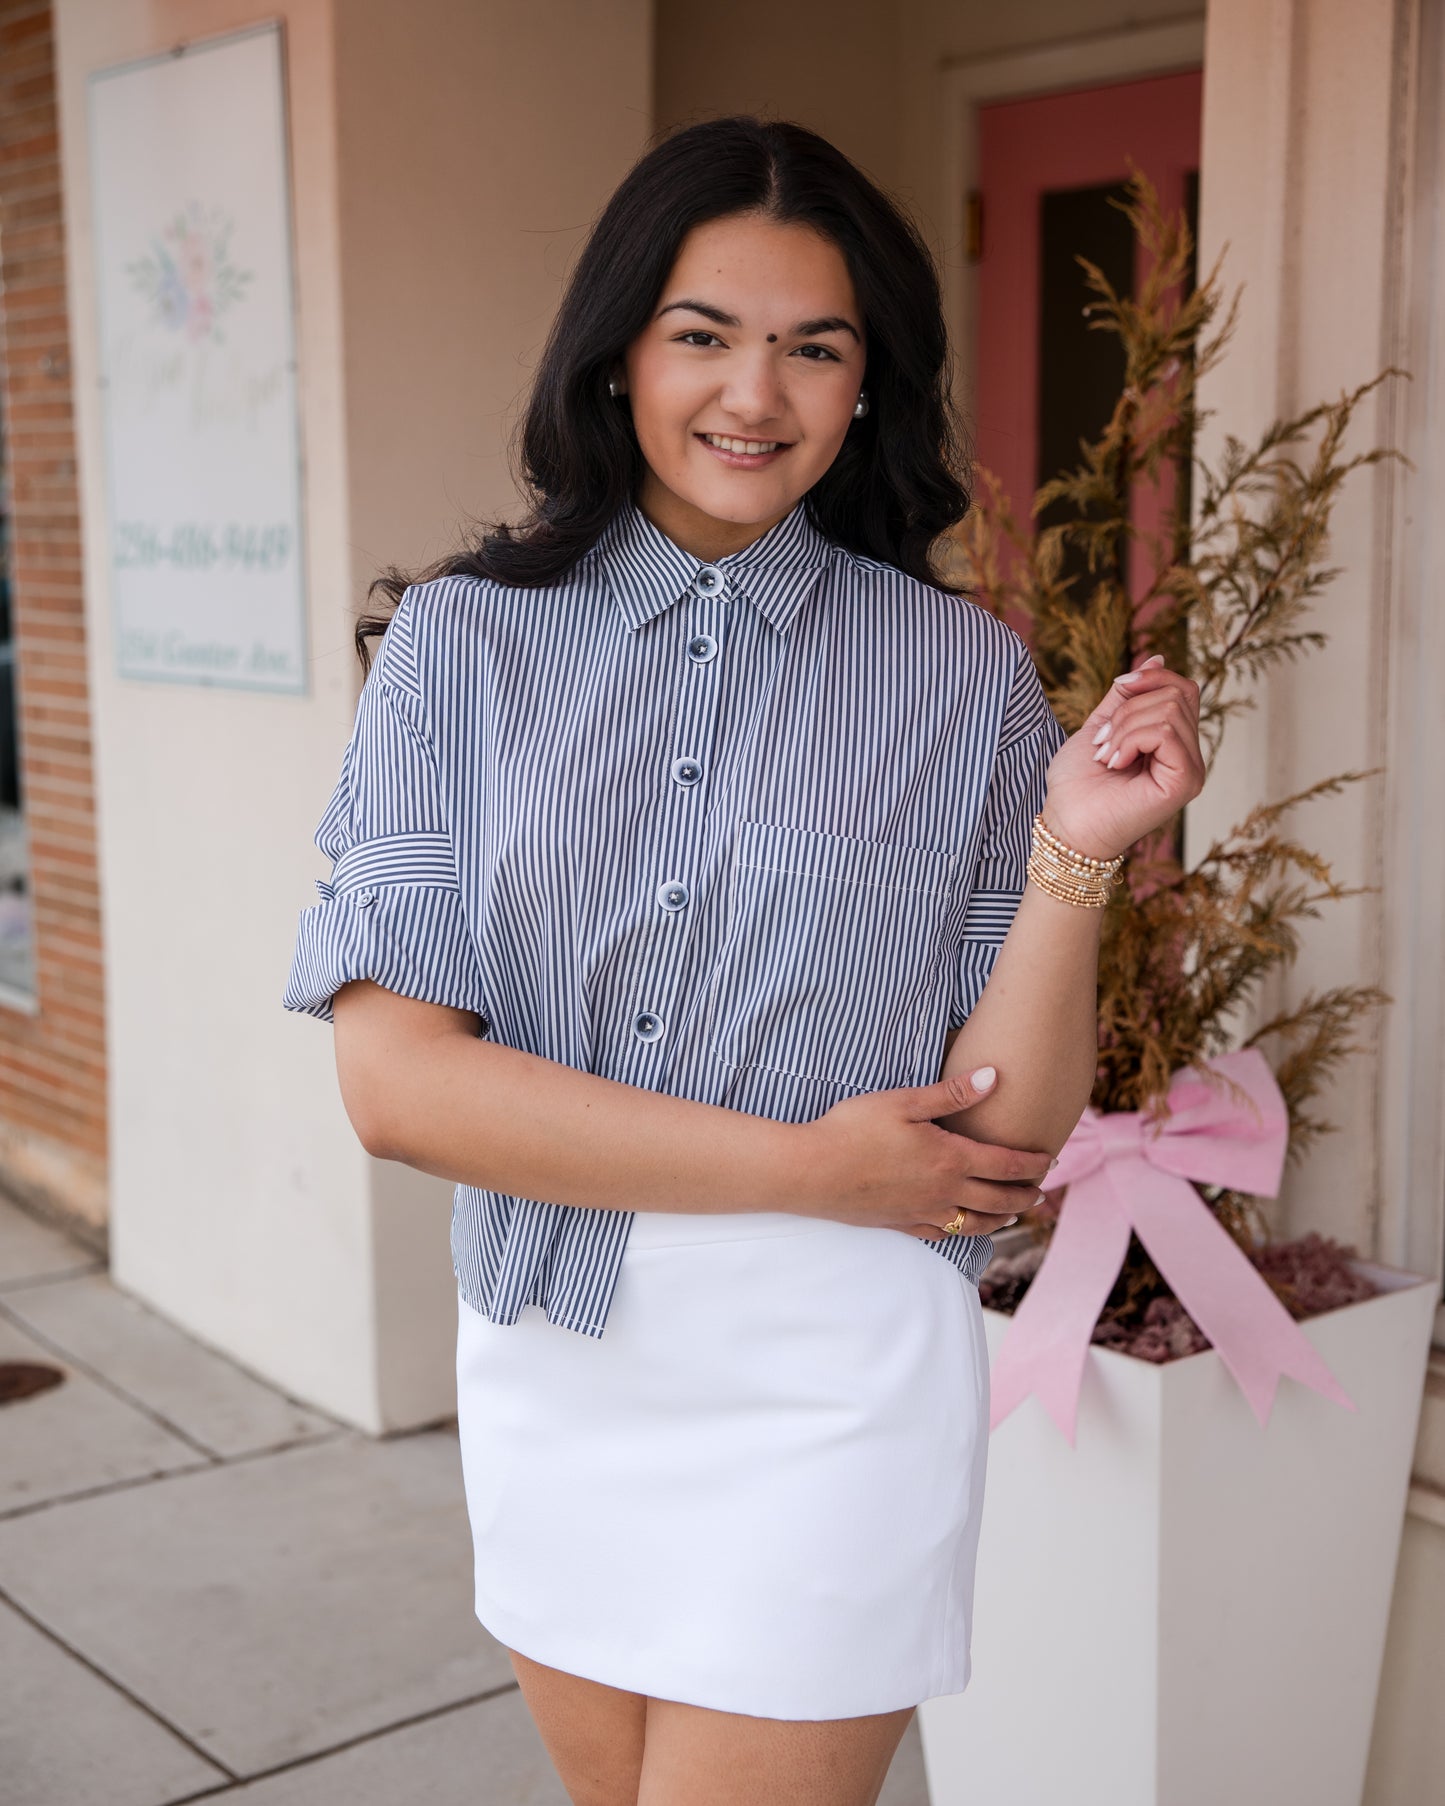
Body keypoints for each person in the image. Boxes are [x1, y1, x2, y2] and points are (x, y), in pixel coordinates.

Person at [283, 116, 1204, 1806]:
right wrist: (808, 1163)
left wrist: (1075, 848)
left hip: (834, 1373)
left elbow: (1000, 1138)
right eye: (701, 333)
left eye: (814, 347)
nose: (753, 394)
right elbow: (395, 1083)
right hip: (555, 1344)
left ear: (868, 386)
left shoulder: (961, 679)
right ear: (617, 354)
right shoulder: (458, 649)